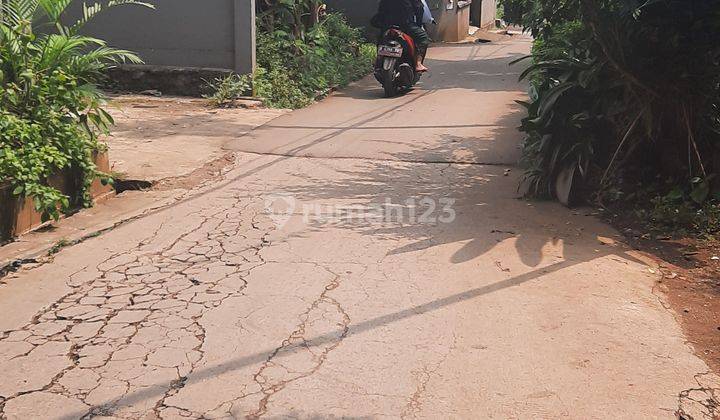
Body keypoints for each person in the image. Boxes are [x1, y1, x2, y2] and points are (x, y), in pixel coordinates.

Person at [374, 0, 431, 72]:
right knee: (423, 37)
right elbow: (419, 8)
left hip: (386, 24)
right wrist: (419, 24)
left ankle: (378, 60)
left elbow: (381, 9)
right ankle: (418, 64)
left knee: (381, 38)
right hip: (405, 25)